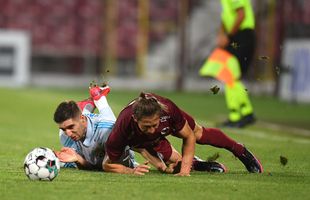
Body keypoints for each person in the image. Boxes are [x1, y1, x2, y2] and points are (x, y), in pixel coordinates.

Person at [54, 85, 226, 174]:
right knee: (165, 164)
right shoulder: (65, 136)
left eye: (70, 127)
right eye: (64, 128)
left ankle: (198, 163)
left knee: (170, 160)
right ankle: (94, 99)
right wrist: (77, 160)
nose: (68, 132)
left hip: (131, 140)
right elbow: (96, 166)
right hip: (125, 140)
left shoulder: (108, 127)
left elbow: (106, 165)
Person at [103, 92, 263, 176]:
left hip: (163, 129)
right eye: (147, 127)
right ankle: (198, 164)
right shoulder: (123, 126)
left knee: (198, 134)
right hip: (142, 143)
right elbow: (107, 164)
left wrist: (185, 171)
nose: (152, 130)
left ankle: (239, 150)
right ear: (135, 119)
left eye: (155, 125)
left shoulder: (168, 109)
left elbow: (189, 137)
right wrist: (130, 171)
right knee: (172, 162)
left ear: (160, 117)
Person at [199, 0, 256, 128]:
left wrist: (228, 36)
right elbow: (226, 18)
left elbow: (241, 15)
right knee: (230, 77)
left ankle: (240, 115)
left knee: (231, 77)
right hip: (237, 36)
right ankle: (244, 114)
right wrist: (221, 34)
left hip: (242, 36)